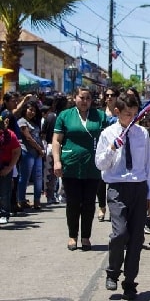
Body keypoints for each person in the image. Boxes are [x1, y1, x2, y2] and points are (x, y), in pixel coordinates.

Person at [95, 93, 150, 300]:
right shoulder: (107, 134)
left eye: (134, 114)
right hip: (117, 187)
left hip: (138, 187)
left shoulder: (142, 134)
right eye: (127, 114)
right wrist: (112, 148)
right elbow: (100, 164)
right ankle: (113, 271)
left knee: (137, 238)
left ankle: (130, 282)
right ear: (117, 112)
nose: (131, 118)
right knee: (120, 233)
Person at [52, 87, 108, 251]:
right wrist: (57, 161)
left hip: (92, 166)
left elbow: (108, 136)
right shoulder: (65, 115)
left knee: (89, 203)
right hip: (71, 165)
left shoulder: (99, 116)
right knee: (74, 203)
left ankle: (86, 237)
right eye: (81, 98)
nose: (84, 101)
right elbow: (56, 140)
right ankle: (72, 236)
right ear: (75, 98)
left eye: (88, 98)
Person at [97, 86, 120, 222]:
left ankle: (113, 209)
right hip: (103, 148)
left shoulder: (120, 113)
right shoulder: (100, 113)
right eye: (107, 95)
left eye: (112, 95)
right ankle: (102, 207)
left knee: (113, 181)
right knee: (100, 182)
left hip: (117, 149)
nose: (109, 97)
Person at [17, 100, 45, 210]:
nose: (32, 112)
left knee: (38, 177)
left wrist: (41, 149)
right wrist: (39, 149)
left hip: (37, 154)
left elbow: (38, 138)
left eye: (34, 110)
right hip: (27, 152)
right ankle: (21, 200)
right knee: (24, 177)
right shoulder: (22, 122)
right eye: (30, 110)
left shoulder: (34, 122)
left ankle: (37, 201)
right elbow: (28, 138)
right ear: (25, 110)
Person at [0, 116, 21, 224]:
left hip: (5, 165)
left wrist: (9, 168)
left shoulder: (10, 135)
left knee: (4, 192)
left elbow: (17, 151)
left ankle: (4, 214)